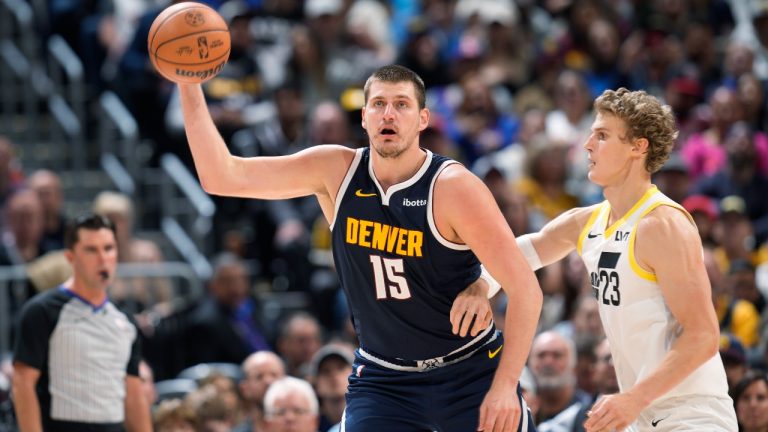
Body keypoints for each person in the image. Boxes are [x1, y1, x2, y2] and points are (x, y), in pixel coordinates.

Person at [177, 64, 542, 431]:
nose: (389, 114)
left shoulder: (453, 187)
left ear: (423, 119)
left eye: (401, 104)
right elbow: (220, 176)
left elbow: (526, 289)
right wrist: (188, 84)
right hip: (385, 381)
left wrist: (506, 385)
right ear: (364, 117)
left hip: (468, 373)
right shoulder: (335, 171)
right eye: (379, 104)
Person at [492, 88, 737, 431]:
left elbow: (704, 335)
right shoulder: (589, 221)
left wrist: (634, 398)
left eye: (603, 135)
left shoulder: (662, 224)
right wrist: (477, 284)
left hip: (691, 413)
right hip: (641, 412)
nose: (588, 145)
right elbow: (525, 251)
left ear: (638, 147)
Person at [11, 213, 152, 431]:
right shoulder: (42, 312)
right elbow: (22, 384)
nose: (103, 258)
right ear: (70, 257)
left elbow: (133, 395)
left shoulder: (125, 321)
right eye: (91, 250)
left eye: (108, 248)